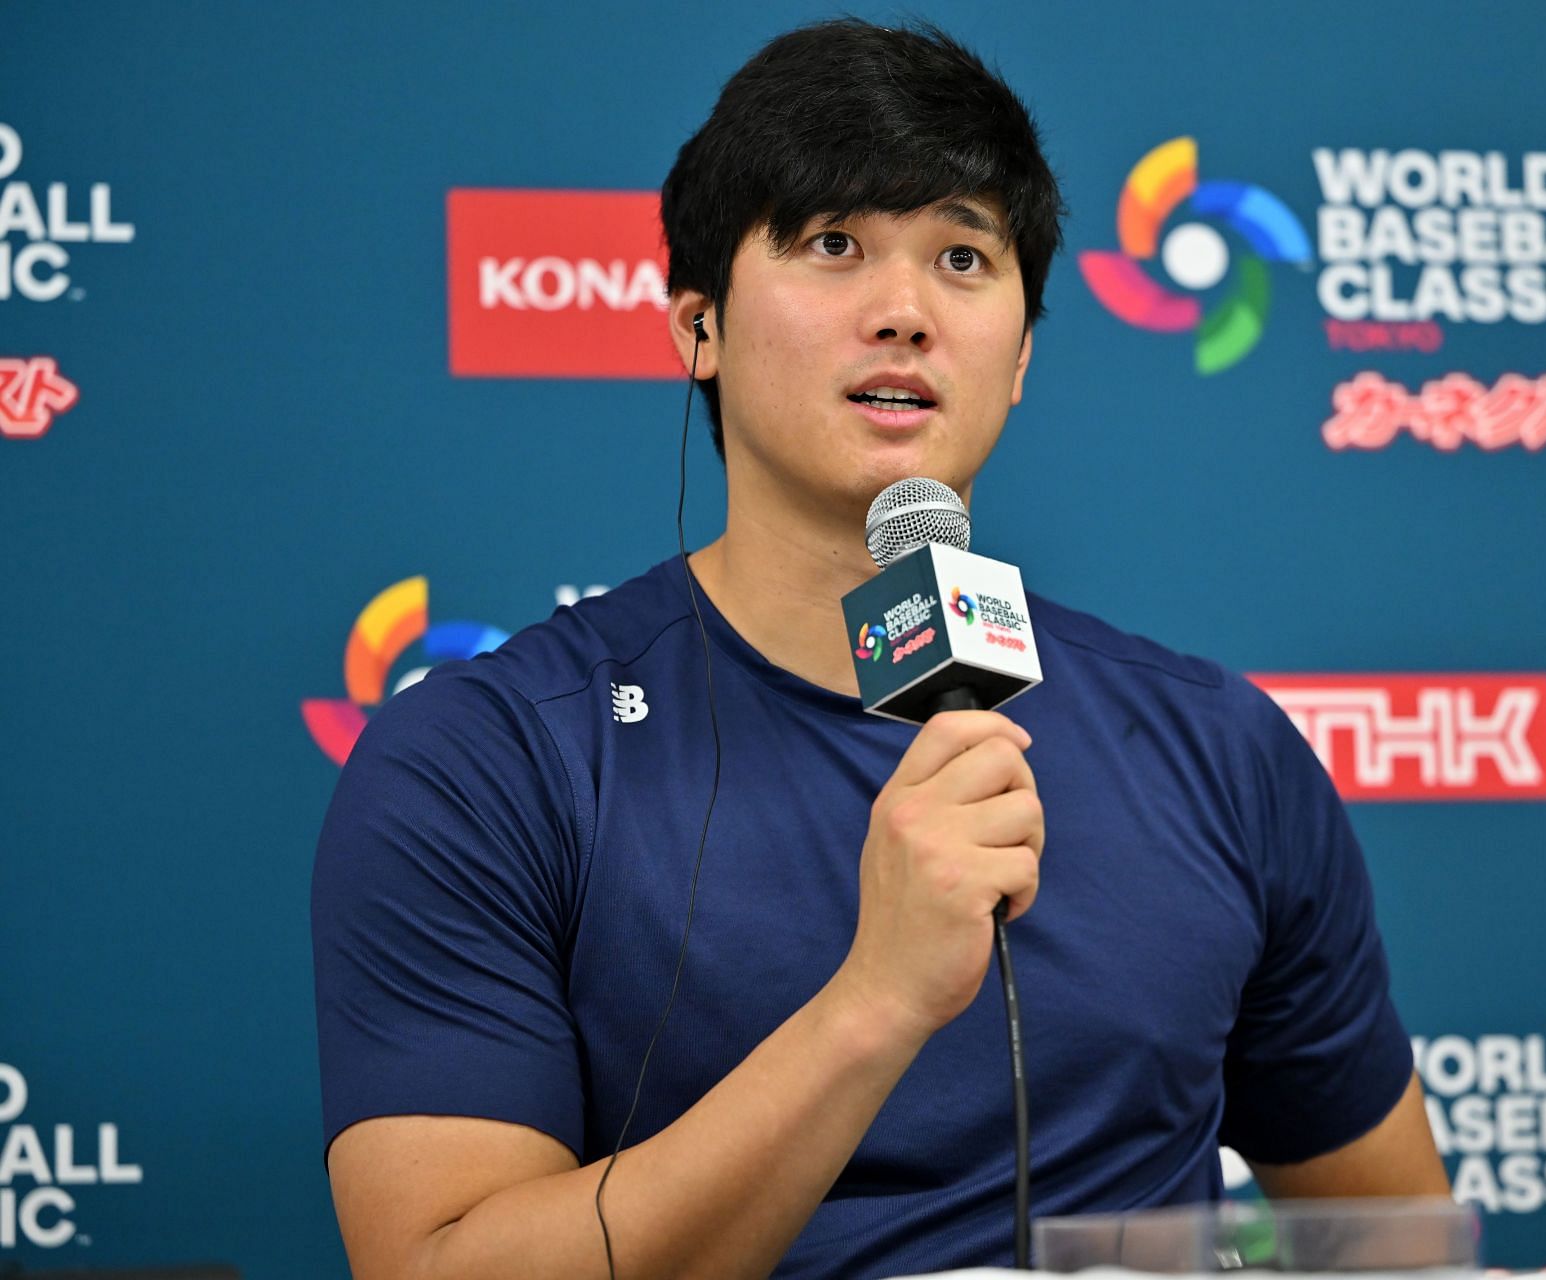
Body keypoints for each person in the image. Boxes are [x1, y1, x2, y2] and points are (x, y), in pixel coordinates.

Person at [312, 18, 1448, 1280]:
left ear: (1019, 357)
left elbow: (1396, 1247)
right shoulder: (487, 758)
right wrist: (878, 999)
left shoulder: (1216, 748)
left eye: (963, 256)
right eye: (835, 244)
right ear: (699, 325)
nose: (904, 312)